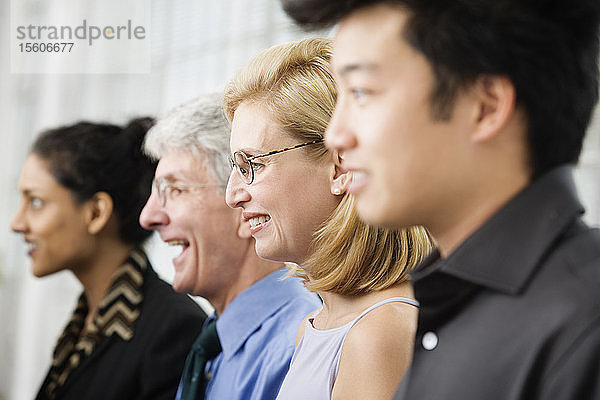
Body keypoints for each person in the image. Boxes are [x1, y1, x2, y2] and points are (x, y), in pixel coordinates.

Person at [280, 1, 600, 399]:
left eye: (362, 93)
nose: (335, 136)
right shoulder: (446, 309)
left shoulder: (583, 326)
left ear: (485, 107)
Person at [225, 37, 434, 400]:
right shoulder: (317, 325)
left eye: (252, 165)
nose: (233, 195)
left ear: (340, 167)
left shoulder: (378, 331)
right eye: (235, 168)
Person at [138, 93, 321, 400]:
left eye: (176, 189)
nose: (148, 216)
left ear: (242, 203)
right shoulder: (211, 344)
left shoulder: (298, 344)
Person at [10, 118, 207, 400]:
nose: (17, 224)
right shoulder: (85, 321)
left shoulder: (173, 329)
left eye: (36, 202)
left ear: (96, 213)